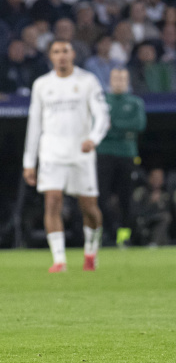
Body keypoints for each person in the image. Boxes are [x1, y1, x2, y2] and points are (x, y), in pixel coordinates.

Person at [22, 40, 111, 272]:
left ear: (73, 55)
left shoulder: (87, 81)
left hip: (81, 152)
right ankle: (59, 260)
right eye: (56, 52)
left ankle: (91, 251)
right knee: (52, 201)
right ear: (50, 56)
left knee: (89, 208)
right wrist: (29, 162)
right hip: (51, 152)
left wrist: (93, 138)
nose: (61, 55)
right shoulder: (42, 84)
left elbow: (102, 115)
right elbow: (34, 124)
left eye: (65, 51)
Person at [97, 68, 146, 247]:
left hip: (127, 155)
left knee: (126, 198)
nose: (119, 81)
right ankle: (107, 233)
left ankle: (124, 235)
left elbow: (139, 125)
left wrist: (113, 125)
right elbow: (98, 128)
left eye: (122, 78)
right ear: (109, 80)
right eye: (115, 78)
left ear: (128, 81)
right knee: (101, 197)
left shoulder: (135, 102)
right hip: (103, 154)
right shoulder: (101, 102)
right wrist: (124, 131)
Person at [132, 167, 172, 246]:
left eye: (159, 177)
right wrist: (151, 203)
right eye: (155, 177)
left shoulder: (165, 195)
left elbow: (170, 213)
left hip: (158, 225)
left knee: (165, 218)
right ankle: (154, 243)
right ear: (149, 178)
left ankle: (155, 243)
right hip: (142, 222)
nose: (157, 180)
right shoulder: (141, 192)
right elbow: (134, 213)